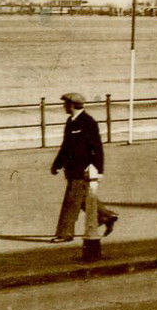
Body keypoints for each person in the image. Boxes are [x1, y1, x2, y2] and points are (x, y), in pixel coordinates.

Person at [50, 93, 120, 242]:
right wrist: (57, 165)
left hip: (82, 169)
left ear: (72, 105)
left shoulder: (88, 122)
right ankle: (106, 216)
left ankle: (65, 233)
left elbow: (97, 148)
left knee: (71, 201)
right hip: (72, 169)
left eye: (66, 104)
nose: (64, 107)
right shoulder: (71, 121)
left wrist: (99, 171)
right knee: (82, 198)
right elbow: (66, 147)